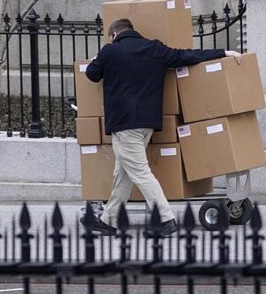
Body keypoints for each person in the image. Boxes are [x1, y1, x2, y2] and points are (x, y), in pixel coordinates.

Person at [80, 18, 242, 236]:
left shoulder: (110, 51)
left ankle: (165, 219)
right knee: (123, 172)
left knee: (139, 172)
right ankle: (109, 220)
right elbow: (186, 56)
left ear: (114, 35)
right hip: (148, 122)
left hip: (124, 123)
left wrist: (98, 58)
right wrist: (223, 52)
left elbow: (91, 74)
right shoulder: (153, 48)